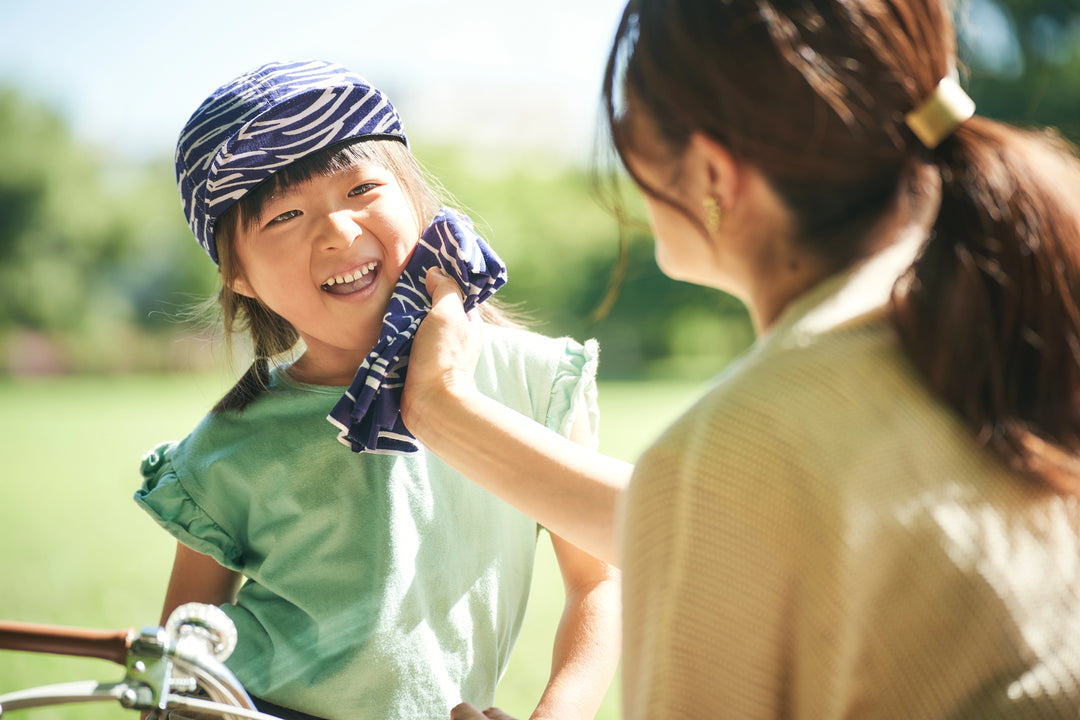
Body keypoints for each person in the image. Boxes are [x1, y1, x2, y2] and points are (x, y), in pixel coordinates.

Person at [400, 1, 1080, 718]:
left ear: (711, 177)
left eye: (632, 142)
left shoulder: (736, 450)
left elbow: (721, 501)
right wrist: (443, 409)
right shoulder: (990, 327)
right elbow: (719, 523)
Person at [133, 59, 620, 720]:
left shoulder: (532, 380)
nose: (337, 231)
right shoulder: (231, 442)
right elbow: (179, 663)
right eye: (284, 215)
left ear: (417, 200)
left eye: (361, 188)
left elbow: (598, 580)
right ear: (238, 274)